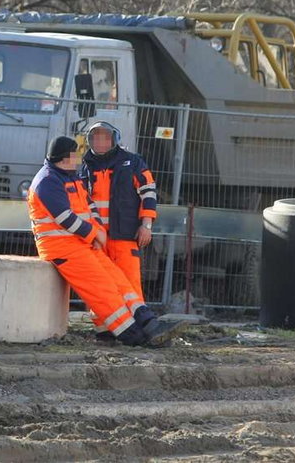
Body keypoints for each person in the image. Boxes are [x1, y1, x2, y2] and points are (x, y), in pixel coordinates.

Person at [28, 136, 186, 347]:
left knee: (119, 281)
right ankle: (135, 336)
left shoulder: (67, 176)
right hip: (63, 249)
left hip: (80, 244)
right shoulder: (47, 181)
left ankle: (149, 324)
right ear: (65, 159)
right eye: (75, 153)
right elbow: (64, 218)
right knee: (103, 290)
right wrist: (94, 234)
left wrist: (97, 231)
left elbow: (89, 205)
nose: (79, 157)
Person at [80, 121, 156, 307]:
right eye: (95, 138)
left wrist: (146, 226)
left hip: (125, 236)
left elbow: (149, 193)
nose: (100, 142)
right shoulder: (84, 166)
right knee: (100, 286)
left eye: (105, 137)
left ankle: (139, 324)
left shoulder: (133, 162)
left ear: (114, 139)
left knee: (130, 284)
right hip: (96, 238)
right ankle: (105, 327)